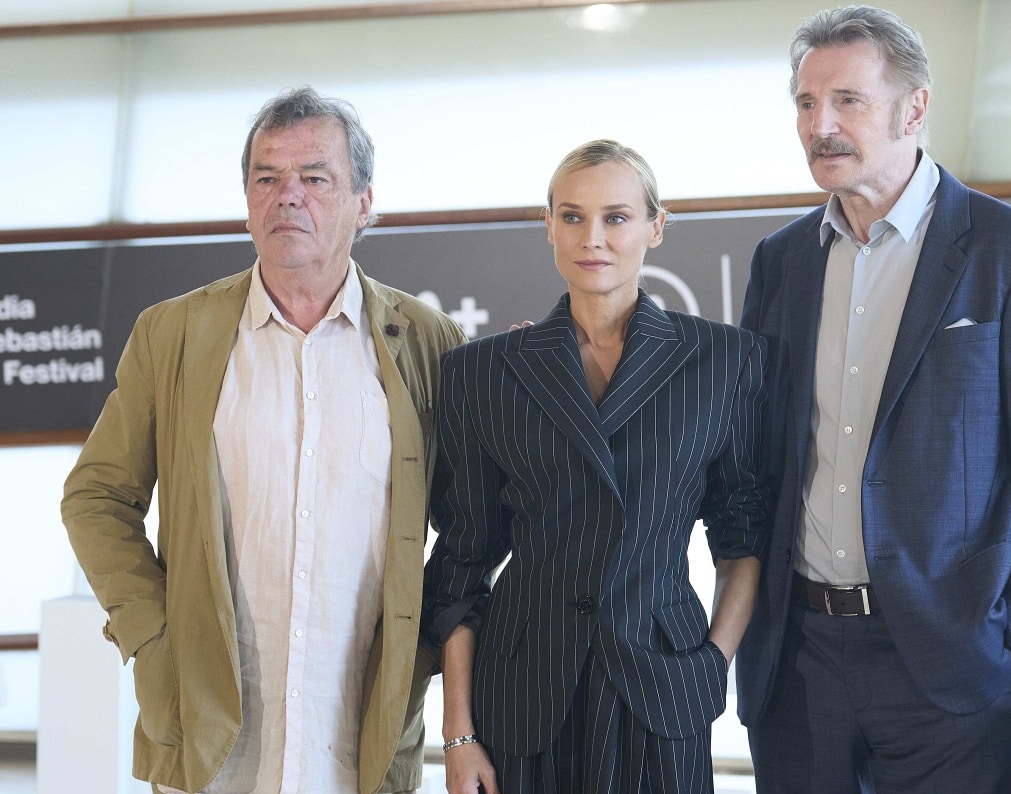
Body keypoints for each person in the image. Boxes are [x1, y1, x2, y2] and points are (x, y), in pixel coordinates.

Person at [61, 86, 467, 794]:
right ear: (246, 198)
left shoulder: (428, 343)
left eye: (315, 178)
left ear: (362, 202)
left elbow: (472, 527)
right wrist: (152, 630)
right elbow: (95, 496)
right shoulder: (173, 333)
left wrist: (422, 646)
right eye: (266, 177)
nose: (289, 197)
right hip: (212, 735)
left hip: (359, 732)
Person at [735, 6, 1011, 792]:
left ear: (915, 107)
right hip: (796, 663)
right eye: (804, 102)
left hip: (949, 661)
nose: (819, 125)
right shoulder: (781, 261)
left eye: (846, 101)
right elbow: (753, 452)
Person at [423, 139, 770, 794]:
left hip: (663, 684)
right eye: (573, 216)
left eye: (616, 216)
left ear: (654, 227)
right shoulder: (482, 372)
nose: (594, 237)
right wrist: (458, 734)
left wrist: (711, 665)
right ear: (549, 226)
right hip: (522, 688)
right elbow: (462, 564)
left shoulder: (724, 363)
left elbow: (743, 540)